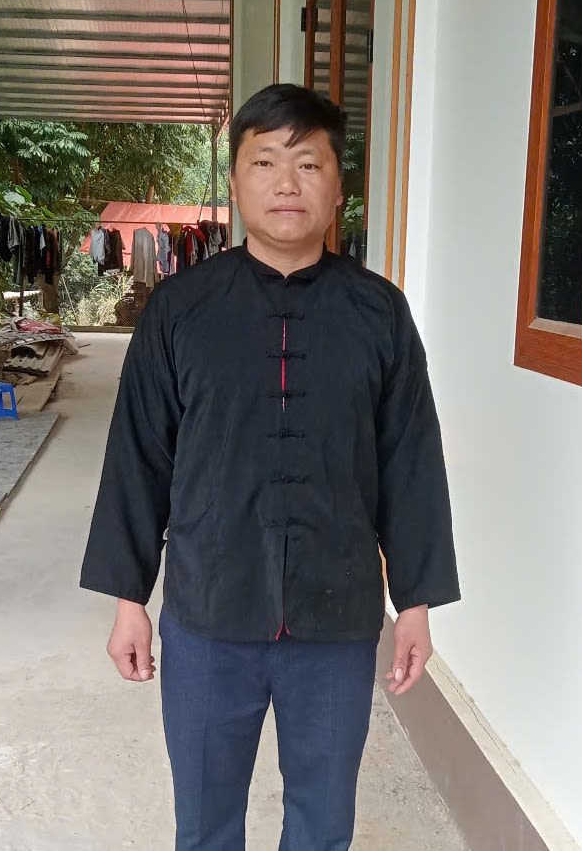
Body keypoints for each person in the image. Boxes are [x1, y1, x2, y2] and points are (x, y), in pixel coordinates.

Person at [80, 83, 459, 851]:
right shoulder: (181, 309)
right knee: (205, 826)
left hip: (336, 620)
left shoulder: (379, 313)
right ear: (236, 181)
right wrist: (129, 598)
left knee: (323, 828)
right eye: (265, 163)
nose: (288, 183)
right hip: (208, 614)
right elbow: (138, 454)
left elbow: (411, 461)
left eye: (309, 164)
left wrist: (416, 601)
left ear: (338, 188)